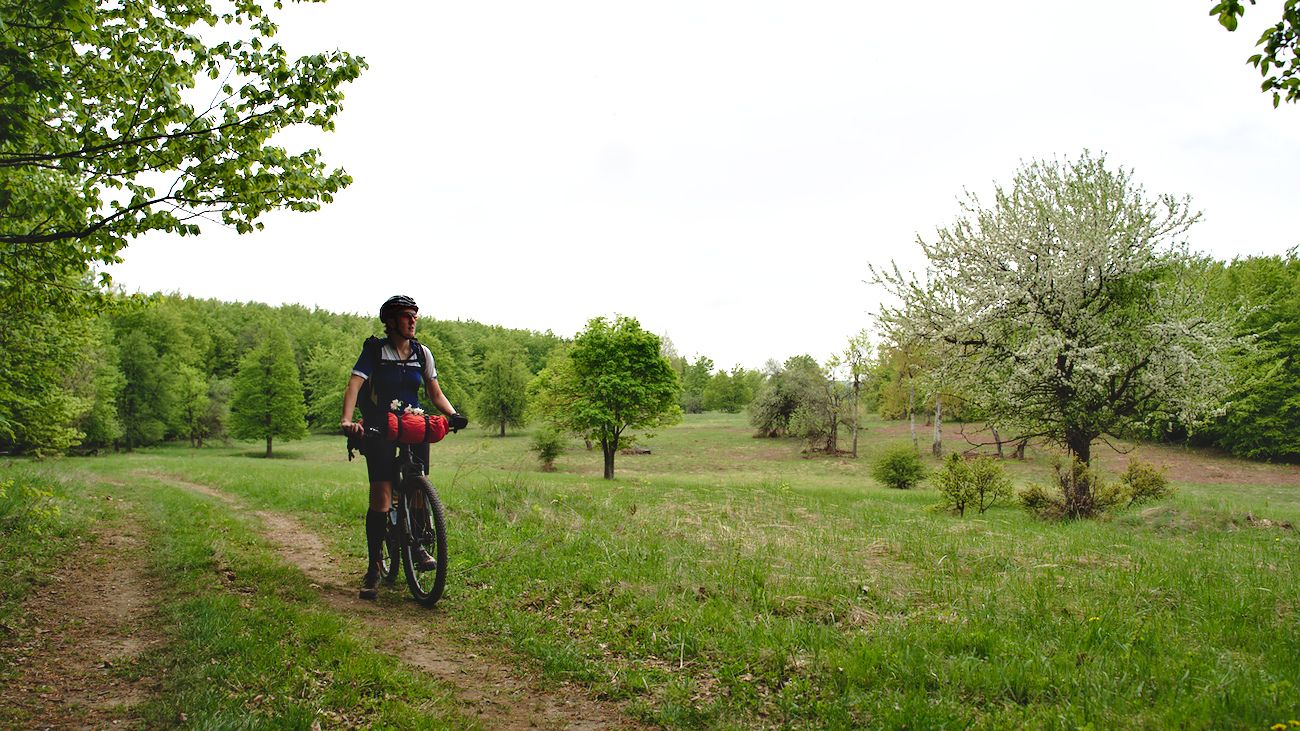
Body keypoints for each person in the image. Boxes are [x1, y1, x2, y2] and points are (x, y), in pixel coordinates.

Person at [341, 295, 462, 600]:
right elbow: (354, 385)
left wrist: (452, 414)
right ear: (392, 322)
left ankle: (418, 544)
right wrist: (347, 420)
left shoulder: (422, 353)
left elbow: (434, 392)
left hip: (413, 423)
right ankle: (372, 569)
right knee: (381, 496)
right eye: (407, 316)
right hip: (379, 425)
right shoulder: (375, 351)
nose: (412, 321)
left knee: (418, 487)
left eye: (414, 316)